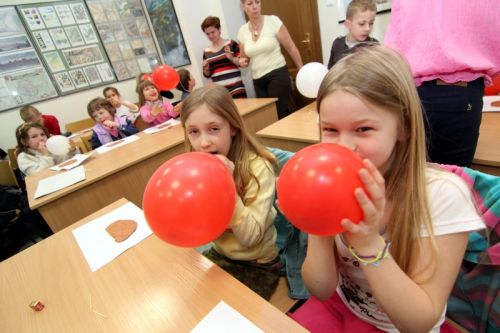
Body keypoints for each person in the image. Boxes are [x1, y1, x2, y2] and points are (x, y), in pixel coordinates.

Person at [290, 46, 485, 332]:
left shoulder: (442, 196)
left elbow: (419, 321)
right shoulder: (330, 185)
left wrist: (368, 243)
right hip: (341, 308)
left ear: (404, 127)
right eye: (330, 129)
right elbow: (321, 290)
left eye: (363, 129)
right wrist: (316, 226)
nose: (343, 146)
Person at [180, 85, 280, 300]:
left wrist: (226, 185)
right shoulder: (195, 170)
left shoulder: (258, 168)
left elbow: (251, 238)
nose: (204, 143)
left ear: (233, 127)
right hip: (220, 253)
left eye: (214, 129)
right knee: (189, 296)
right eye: (194, 132)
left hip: (257, 263)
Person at [384, 0, 500, 167]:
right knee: (451, 183)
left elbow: (393, 44)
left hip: (407, 90)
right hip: (459, 91)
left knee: (412, 181)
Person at [238, 0, 303, 119]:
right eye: (250, 4)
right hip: (258, 80)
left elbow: (291, 48)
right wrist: (242, 62)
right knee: (267, 117)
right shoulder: (242, 31)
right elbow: (244, 59)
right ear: (243, 7)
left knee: (277, 115)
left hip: (277, 74)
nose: (255, 7)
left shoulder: (273, 21)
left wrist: (301, 70)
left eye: (257, 2)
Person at [201, 16, 247, 99]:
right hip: (220, 95)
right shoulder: (206, 52)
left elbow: (242, 63)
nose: (211, 36)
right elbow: (207, 75)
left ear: (219, 29)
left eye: (213, 32)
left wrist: (231, 58)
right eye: (208, 34)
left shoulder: (231, 43)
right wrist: (206, 69)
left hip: (236, 89)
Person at [327, 0, 378, 69]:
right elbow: (331, 70)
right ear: (348, 24)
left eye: (371, 23)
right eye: (362, 24)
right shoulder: (337, 43)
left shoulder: (374, 45)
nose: (367, 28)